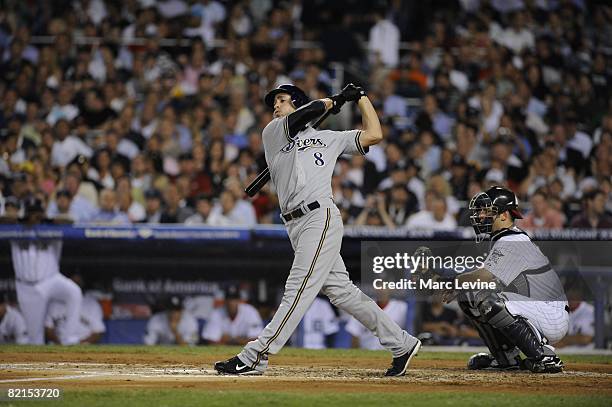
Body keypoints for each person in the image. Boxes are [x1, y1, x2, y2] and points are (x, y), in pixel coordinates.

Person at [214, 83, 421, 376]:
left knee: (297, 287)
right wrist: (334, 100)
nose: (275, 106)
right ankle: (401, 343)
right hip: (294, 224)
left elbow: (375, 134)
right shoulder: (273, 132)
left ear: (296, 102)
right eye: (274, 102)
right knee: (343, 292)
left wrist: (361, 99)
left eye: (282, 101)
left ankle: (255, 356)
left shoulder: (328, 138)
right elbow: (306, 114)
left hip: (319, 216)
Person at [431, 186, 568, 373]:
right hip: (535, 307)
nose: (480, 216)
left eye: (487, 211)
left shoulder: (513, 240)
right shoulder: (504, 238)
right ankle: (506, 357)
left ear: (504, 215)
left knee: (487, 298)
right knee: (470, 295)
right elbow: (484, 278)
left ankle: (544, 356)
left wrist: (452, 280)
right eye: (480, 211)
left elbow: (485, 276)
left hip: (550, 314)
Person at [10, 198, 83, 345]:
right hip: (27, 287)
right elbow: (5, 219)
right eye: (31, 213)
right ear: (26, 215)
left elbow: (69, 221)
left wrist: (46, 220)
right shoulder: (15, 228)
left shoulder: (52, 228)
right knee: (34, 338)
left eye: (37, 213)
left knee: (74, 292)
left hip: (51, 280)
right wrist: (23, 220)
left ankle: (70, 339)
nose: (35, 217)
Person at [44, 274, 106, 344]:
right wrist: (59, 343)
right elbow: (48, 328)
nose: (75, 286)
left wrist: (81, 344)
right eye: (73, 283)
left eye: (78, 283)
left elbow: (98, 331)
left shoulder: (92, 303)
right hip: (58, 344)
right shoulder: (54, 303)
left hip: (84, 346)